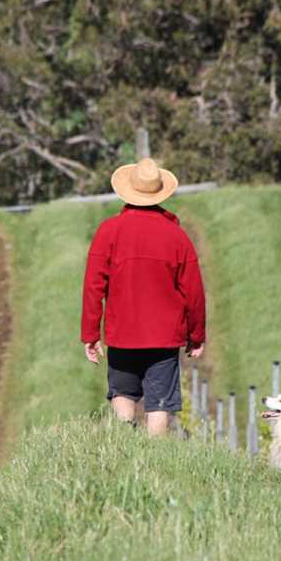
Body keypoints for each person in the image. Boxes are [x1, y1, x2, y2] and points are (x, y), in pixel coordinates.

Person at [81, 157, 206, 435]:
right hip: (164, 337)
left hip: (122, 333)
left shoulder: (108, 232)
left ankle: (126, 451)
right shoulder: (177, 237)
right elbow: (194, 293)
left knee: (122, 394)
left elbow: (93, 286)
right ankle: (155, 462)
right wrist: (196, 335)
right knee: (159, 403)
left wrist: (90, 334)